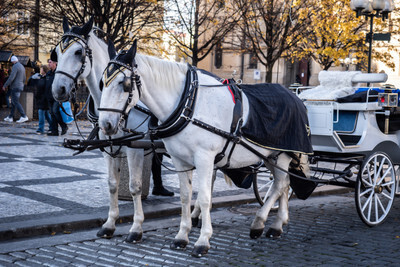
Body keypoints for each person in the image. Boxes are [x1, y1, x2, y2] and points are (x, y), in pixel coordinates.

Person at [45, 58, 68, 136]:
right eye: (48, 63)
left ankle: (64, 126)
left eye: (50, 62)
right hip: (49, 96)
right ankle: (54, 131)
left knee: (55, 111)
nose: (49, 64)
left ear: (55, 63)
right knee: (52, 113)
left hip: (57, 96)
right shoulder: (48, 74)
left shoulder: (58, 73)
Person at [3, 56, 28, 123]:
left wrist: (5, 85)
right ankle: (10, 117)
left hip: (15, 87)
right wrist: (22, 84)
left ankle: (24, 116)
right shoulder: (22, 66)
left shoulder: (15, 66)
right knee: (14, 102)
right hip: (20, 86)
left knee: (15, 102)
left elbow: (11, 77)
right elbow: (24, 78)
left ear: (13, 61)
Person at [33, 65, 52, 134]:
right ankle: (52, 126)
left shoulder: (46, 78)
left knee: (41, 113)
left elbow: (45, 88)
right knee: (46, 114)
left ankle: (41, 129)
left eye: (41, 69)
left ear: (44, 70)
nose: (40, 70)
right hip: (41, 98)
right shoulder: (41, 77)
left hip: (44, 99)